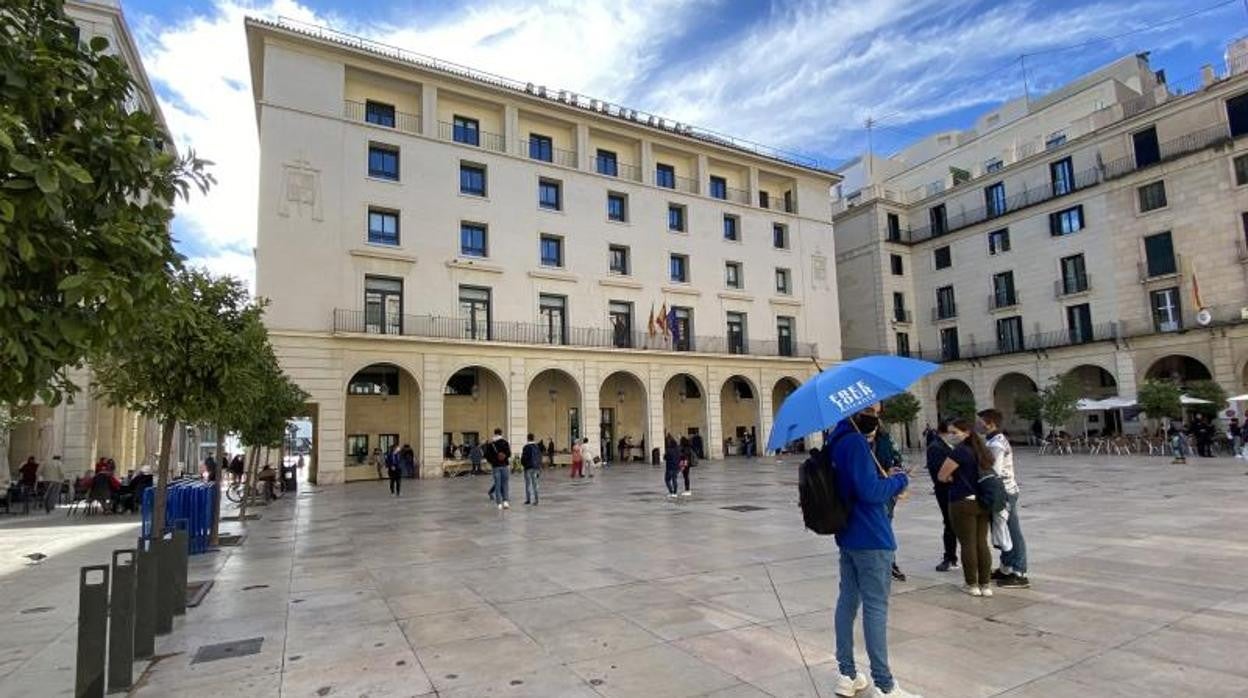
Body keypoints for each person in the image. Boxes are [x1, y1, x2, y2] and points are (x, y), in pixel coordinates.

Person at [830, 403, 919, 698]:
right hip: (871, 534)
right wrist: (899, 481)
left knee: (847, 601)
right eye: (871, 410)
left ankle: (847, 674)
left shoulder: (837, 440)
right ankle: (885, 684)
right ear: (856, 412)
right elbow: (869, 493)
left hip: (848, 534)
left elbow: (856, 485)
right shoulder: (855, 442)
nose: (875, 417)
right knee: (875, 606)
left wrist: (885, 477)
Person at [937, 417, 994, 598]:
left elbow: (941, 476)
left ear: (967, 433)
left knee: (968, 544)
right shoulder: (982, 451)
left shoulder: (959, 452)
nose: (951, 436)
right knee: (981, 543)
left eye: (955, 433)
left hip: (962, 502)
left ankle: (971, 584)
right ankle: (985, 584)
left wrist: (952, 477)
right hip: (983, 501)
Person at [979, 409, 1029, 589]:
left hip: (1004, 491)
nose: (979, 424)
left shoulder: (997, 444)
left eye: (981, 421)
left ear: (990, 422)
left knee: (1012, 530)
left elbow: (994, 470)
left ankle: (1020, 571)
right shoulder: (993, 440)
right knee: (1003, 530)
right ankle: (1006, 567)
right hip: (1004, 490)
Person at [872, 424, 906, 583]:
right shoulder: (855, 441)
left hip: (885, 491)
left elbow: (897, 460)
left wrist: (895, 474)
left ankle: (889, 562)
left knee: (885, 526)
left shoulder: (885, 439)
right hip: (868, 491)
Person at [926, 421, 959, 572]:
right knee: (950, 522)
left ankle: (955, 556)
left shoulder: (952, 446)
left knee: (956, 524)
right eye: (952, 432)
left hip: (957, 489)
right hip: (945, 490)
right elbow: (939, 473)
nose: (954, 435)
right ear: (944, 432)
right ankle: (949, 556)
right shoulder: (935, 447)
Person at [482, 428, 512, 510]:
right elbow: (509, 454)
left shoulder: (491, 444)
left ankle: (499, 504)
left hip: (495, 467)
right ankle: (505, 501)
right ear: (501, 433)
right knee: (505, 484)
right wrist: (504, 457)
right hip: (504, 466)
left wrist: (493, 461)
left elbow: (486, 456)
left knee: (497, 485)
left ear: (494, 433)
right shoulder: (505, 443)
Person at [522, 433, 541, 505]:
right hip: (536, 467)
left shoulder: (526, 447)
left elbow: (523, 458)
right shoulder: (537, 447)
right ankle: (536, 500)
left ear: (528, 438)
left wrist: (524, 465)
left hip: (528, 467)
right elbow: (539, 457)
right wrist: (539, 467)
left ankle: (528, 499)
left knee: (528, 484)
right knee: (535, 484)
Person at [663, 434, 680, 499]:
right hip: (677, 467)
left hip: (670, 467)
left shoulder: (669, 450)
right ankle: (675, 493)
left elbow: (665, 458)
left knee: (667, 480)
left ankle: (671, 492)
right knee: (674, 480)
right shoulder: (678, 450)